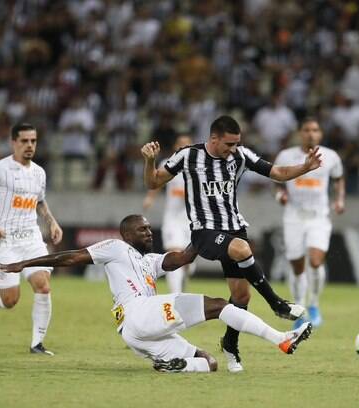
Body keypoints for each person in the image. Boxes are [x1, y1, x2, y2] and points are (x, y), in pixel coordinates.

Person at [0, 214, 313, 373]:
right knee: (216, 304)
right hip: (139, 312)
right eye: (143, 229)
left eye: (149, 229)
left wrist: (206, 237)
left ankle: (174, 366)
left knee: (208, 363)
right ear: (127, 233)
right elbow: (70, 257)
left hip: (137, 335)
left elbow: (182, 258)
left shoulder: (148, 261)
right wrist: (25, 263)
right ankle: (281, 339)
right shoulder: (115, 248)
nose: (149, 232)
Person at [141, 115, 321, 372]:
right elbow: (153, 182)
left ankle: (230, 343)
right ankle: (277, 304)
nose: (233, 149)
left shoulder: (241, 156)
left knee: (241, 295)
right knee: (243, 250)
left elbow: (277, 173)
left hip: (234, 227)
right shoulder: (188, 156)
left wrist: (304, 167)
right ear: (213, 139)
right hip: (205, 231)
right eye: (229, 144)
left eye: (237, 143)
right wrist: (149, 161)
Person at [0, 122, 63, 355]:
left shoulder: (39, 172)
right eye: (24, 141)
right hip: (5, 241)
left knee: (43, 286)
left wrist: (52, 221)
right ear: (14, 143)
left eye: (33, 141)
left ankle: (37, 344)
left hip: (31, 239)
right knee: (10, 300)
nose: (30, 145)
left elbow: (39, 201)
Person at [274, 118, 345, 329]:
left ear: (320, 134)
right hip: (293, 216)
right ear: (300, 133)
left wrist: (340, 199)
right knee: (296, 265)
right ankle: (299, 309)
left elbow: (339, 178)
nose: (311, 134)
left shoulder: (331, 156)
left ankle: (313, 304)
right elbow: (277, 182)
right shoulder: (286, 156)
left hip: (318, 216)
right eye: (307, 130)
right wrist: (280, 196)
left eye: (315, 130)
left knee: (315, 261)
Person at [143, 134, 195, 293]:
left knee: (188, 264)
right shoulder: (167, 163)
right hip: (173, 219)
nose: (183, 147)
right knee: (174, 254)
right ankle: (176, 297)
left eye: (187, 144)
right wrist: (150, 197)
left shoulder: (196, 166)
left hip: (192, 220)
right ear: (175, 146)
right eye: (181, 144)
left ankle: (182, 284)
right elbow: (157, 181)